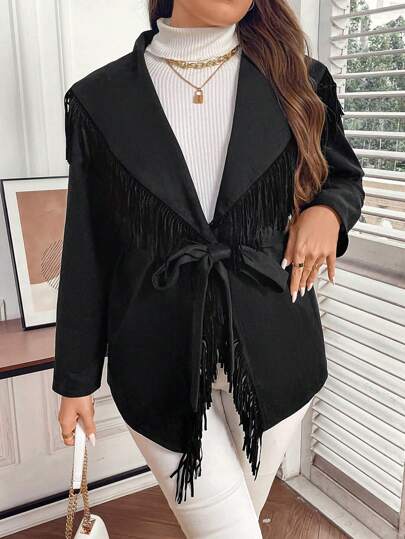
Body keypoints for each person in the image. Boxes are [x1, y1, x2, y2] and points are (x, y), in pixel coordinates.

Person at [53, 1, 365, 537]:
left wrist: (328, 212)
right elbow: (87, 247)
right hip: (157, 364)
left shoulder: (298, 78)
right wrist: (75, 379)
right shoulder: (100, 102)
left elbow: (343, 177)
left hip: (276, 357)